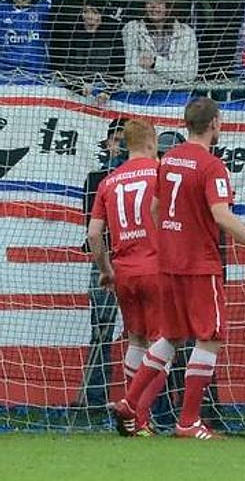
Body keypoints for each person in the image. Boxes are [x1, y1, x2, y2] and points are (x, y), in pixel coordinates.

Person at [118, 97, 245, 439]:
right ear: (214, 124)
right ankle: (188, 421)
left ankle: (129, 402)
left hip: (167, 263)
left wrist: (170, 242)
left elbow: (155, 209)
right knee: (210, 338)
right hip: (199, 264)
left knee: (171, 336)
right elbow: (221, 215)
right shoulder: (212, 166)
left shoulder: (168, 160)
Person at [86, 118, 164, 436]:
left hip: (124, 272)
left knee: (137, 340)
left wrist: (106, 270)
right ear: (150, 142)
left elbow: (94, 234)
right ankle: (137, 413)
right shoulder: (160, 173)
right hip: (157, 267)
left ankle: (136, 420)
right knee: (164, 344)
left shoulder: (109, 181)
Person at [77, 117, 127, 409]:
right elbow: (92, 226)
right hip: (105, 260)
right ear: (108, 143)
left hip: (138, 260)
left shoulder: (148, 176)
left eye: (126, 141)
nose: (121, 147)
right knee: (101, 331)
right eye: (117, 141)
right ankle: (95, 399)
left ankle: (146, 401)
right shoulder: (96, 178)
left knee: (147, 332)